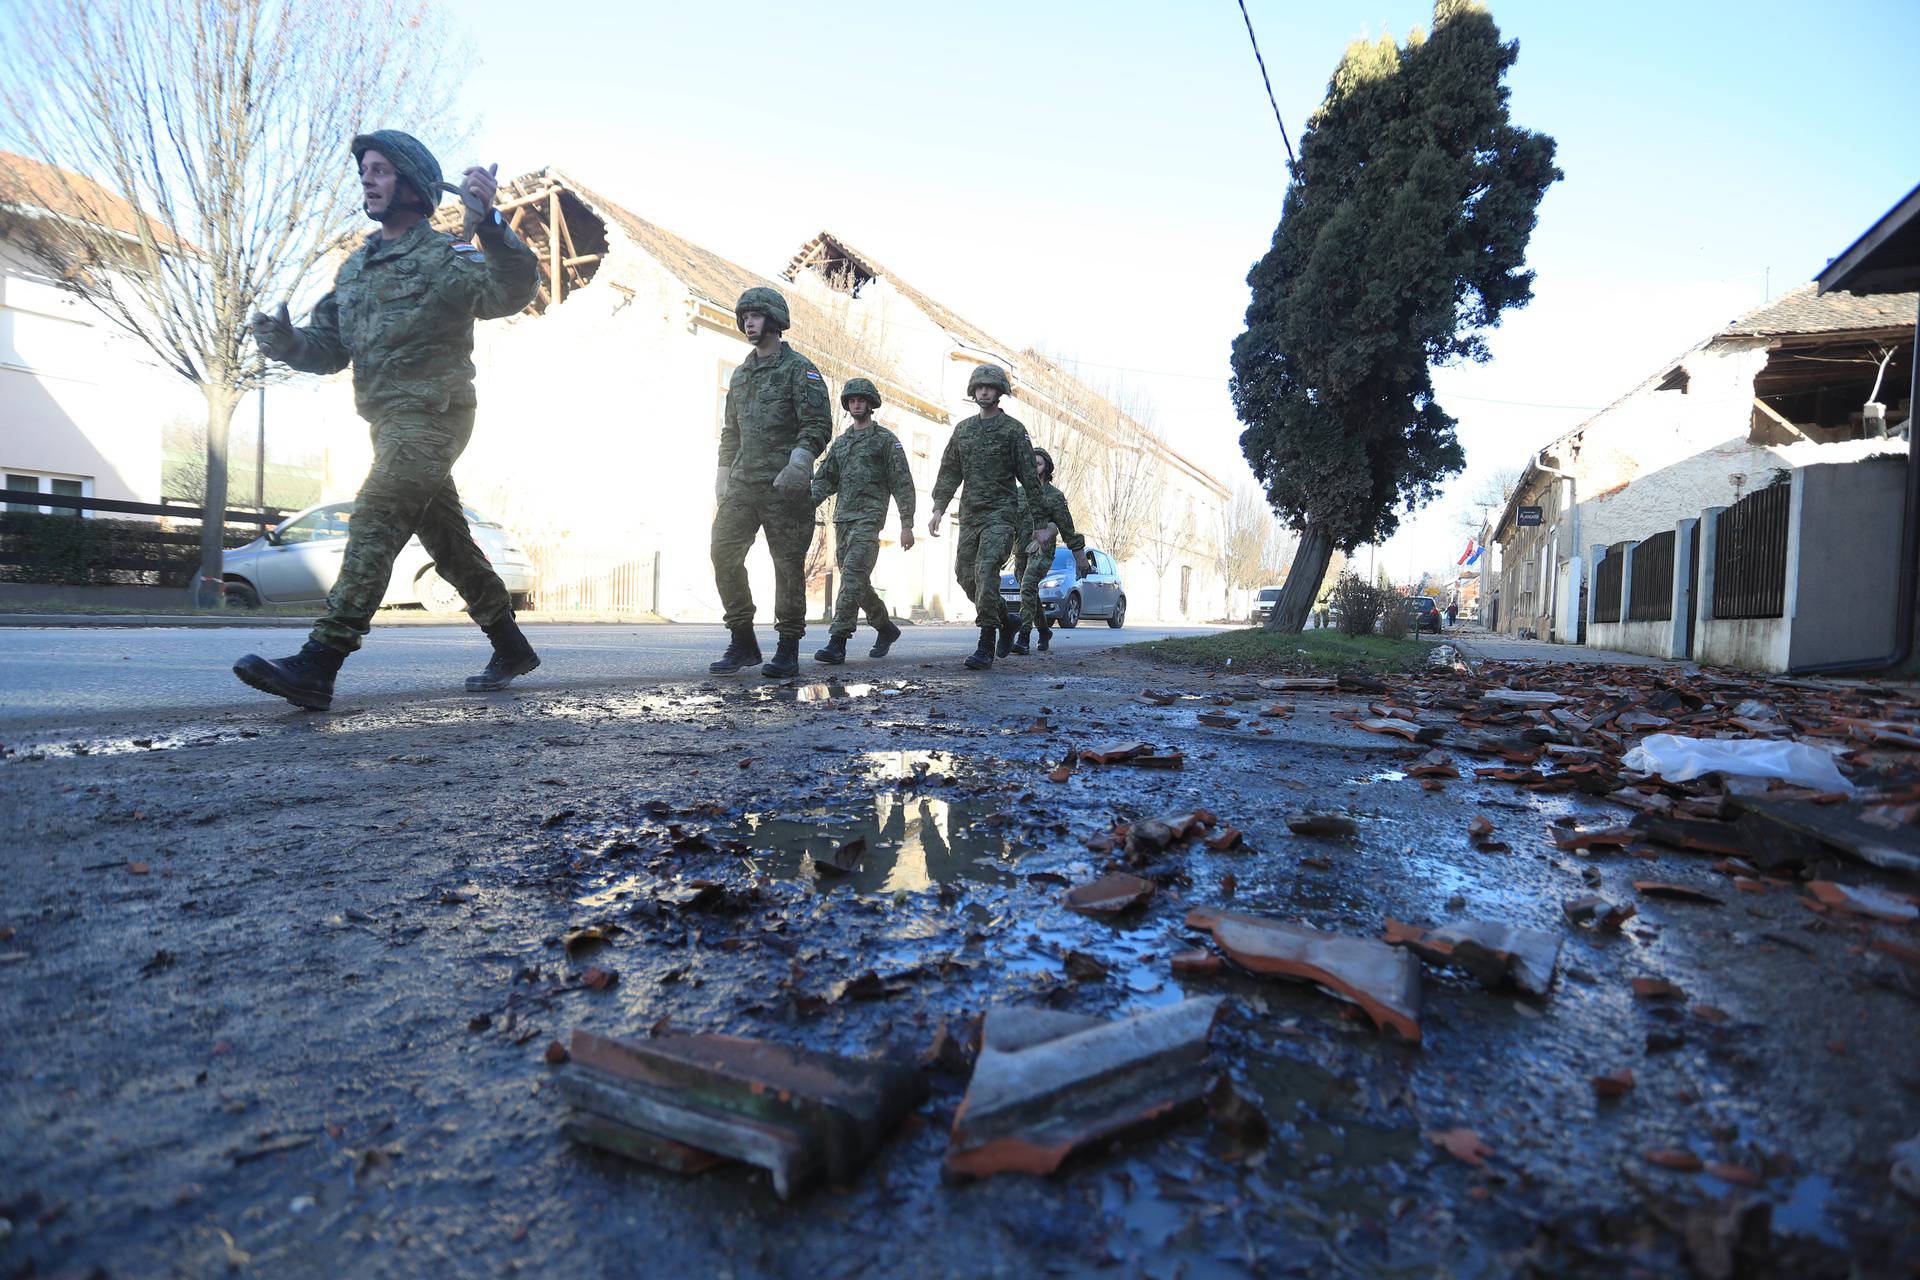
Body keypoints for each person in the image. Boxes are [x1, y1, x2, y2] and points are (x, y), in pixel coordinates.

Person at [235, 130, 539, 711]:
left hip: (436, 413)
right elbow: (328, 348)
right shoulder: (356, 268)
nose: (367, 180)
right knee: (446, 541)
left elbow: (509, 291)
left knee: (376, 515)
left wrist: (493, 224)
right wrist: (286, 343)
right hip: (387, 421)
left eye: (379, 170)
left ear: (411, 182)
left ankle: (320, 661)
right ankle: (510, 644)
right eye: (364, 171)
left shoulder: (443, 255)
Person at [708, 286, 833, 678]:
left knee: (787, 567)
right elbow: (731, 432)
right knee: (723, 553)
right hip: (743, 483)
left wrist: (800, 461)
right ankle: (742, 641)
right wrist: (723, 473)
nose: (748, 322)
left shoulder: (800, 369)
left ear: (774, 322)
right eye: (744, 316)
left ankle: (788, 647)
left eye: (756, 316)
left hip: (785, 485)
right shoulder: (741, 375)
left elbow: (817, 424)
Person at [927, 364, 1045, 670]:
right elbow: (949, 470)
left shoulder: (1013, 430)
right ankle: (1007, 620)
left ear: (999, 392)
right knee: (965, 576)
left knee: (986, 570)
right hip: (970, 515)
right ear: (972, 390)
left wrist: (1041, 525)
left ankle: (985, 644)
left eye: (989, 387)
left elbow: (1031, 479)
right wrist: (939, 507)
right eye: (979, 387)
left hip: (1001, 516)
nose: (983, 391)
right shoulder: (963, 430)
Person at [808, 377, 915, 664]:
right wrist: (803, 505)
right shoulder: (841, 444)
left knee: (853, 575)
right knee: (857, 583)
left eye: (861, 400)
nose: (856, 404)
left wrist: (907, 524)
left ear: (870, 404)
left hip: (869, 520)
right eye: (852, 400)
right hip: (842, 520)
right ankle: (886, 627)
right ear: (847, 405)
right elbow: (824, 480)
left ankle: (838, 641)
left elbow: (902, 483)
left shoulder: (885, 440)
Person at [1007, 447, 1087, 655]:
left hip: (1042, 551)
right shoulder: (1019, 492)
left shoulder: (1054, 496)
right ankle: (1044, 631)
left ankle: (1024, 637)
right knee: (1030, 593)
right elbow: (1008, 521)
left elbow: (1068, 529)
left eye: (1039, 464)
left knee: (1027, 587)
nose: (1034, 467)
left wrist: (1080, 558)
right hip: (1021, 550)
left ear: (1047, 467)